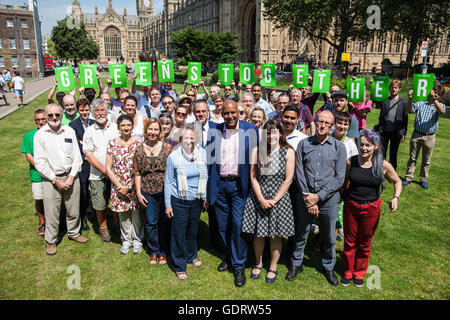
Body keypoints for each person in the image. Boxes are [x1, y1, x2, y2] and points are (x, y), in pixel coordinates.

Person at [286, 110, 346, 286]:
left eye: (327, 123)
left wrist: (318, 197)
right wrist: (308, 197)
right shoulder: (304, 144)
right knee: (301, 232)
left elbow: (339, 178)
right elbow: (299, 171)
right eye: (320, 122)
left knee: (328, 235)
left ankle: (328, 266)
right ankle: (296, 264)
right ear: (315, 122)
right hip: (304, 196)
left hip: (329, 199)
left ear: (332, 126)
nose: (322, 126)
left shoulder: (338, 147)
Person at [207, 100, 259, 287]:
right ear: (221, 113)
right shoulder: (214, 131)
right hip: (219, 184)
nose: (229, 116)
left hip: (239, 185)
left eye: (232, 113)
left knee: (237, 225)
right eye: (225, 113)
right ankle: (229, 256)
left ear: (239, 112)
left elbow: (257, 160)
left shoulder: (251, 130)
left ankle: (238, 265)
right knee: (223, 226)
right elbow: (209, 161)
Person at [341, 129, 402, 287]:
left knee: (365, 242)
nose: (364, 148)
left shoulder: (382, 165)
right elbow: (344, 181)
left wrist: (396, 198)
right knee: (349, 241)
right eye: (361, 145)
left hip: (372, 208)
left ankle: (359, 273)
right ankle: (348, 271)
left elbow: (397, 181)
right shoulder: (351, 161)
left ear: (375, 146)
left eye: (368, 145)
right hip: (351, 206)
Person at [242, 119, 296, 284]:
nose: (271, 135)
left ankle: (273, 266)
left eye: (274, 132)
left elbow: (288, 179)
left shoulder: (288, 152)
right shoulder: (257, 150)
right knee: (258, 234)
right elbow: (253, 177)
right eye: (267, 132)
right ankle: (258, 263)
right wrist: (261, 199)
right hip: (259, 196)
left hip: (279, 198)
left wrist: (273, 200)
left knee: (275, 235)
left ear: (280, 134)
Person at [34, 104, 87, 255]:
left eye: (57, 115)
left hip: (71, 175)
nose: (54, 118)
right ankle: (51, 241)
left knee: (73, 209)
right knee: (52, 212)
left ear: (61, 114)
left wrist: (71, 177)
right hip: (51, 179)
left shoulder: (69, 131)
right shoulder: (40, 135)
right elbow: (40, 162)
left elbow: (77, 156)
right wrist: (54, 180)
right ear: (46, 116)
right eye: (50, 115)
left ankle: (74, 233)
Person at [165, 123, 208, 279]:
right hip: (179, 200)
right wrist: (168, 205)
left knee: (192, 231)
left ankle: (191, 255)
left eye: (192, 137)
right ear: (181, 139)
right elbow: (168, 182)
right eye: (186, 137)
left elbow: (206, 176)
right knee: (179, 234)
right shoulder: (173, 157)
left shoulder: (202, 153)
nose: (189, 140)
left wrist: (205, 197)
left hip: (196, 200)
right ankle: (179, 264)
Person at [135, 118, 172, 265]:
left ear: (160, 132)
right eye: (150, 129)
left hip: (164, 190)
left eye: (156, 129)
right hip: (147, 190)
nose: (153, 132)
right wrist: (138, 192)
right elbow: (136, 172)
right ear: (145, 131)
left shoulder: (167, 148)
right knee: (151, 222)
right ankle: (153, 251)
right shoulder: (139, 149)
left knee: (164, 221)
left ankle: (163, 251)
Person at [106, 114, 143, 254]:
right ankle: (126, 240)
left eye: (128, 125)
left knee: (136, 214)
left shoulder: (139, 143)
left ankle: (138, 240)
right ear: (118, 127)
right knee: (123, 215)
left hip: (135, 184)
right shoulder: (112, 143)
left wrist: (130, 186)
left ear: (132, 127)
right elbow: (108, 168)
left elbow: (140, 167)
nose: (126, 128)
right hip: (118, 185)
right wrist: (120, 186)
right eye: (123, 125)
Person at [83, 98, 119, 242]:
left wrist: (112, 172)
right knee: (100, 203)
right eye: (96, 111)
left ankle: (117, 224)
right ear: (92, 113)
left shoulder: (115, 127)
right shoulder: (89, 131)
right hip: (98, 174)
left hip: (117, 173)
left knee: (116, 201)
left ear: (107, 110)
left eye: (102, 110)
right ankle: (103, 227)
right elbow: (89, 156)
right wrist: (105, 171)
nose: (99, 113)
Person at [402, 85, 446, 189]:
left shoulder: (440, 105)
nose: (436, 95)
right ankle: (408, 177)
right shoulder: (421, 103)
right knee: (412, 158)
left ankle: (423, 179)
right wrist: (410, 98)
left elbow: (441, 111)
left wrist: (434, 99)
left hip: (429, 137)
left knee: (426, 160)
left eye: (438, 94)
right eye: (435, 92)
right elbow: (410, 110)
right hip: (416, 134)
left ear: (440, 97)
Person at [69, 98, 95, 231]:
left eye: (86, 110)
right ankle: (83, 219)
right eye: (82, 110)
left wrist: (83, 143)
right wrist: (85, 145)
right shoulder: (73, 126)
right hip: (83, 163)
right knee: (83, 192)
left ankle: (96, 215)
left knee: (96, 190)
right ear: (78, 111)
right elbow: (74, 145)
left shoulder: (94, 123)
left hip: (95, 162)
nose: (85, 112)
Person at [20, 109, 47, 236]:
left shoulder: (52, 133)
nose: (41, 122)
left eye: (43, 119)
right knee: (39, 198)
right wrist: (42, 167)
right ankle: (42, 222)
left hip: (53, 172)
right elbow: (28, 155)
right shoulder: (28, 136)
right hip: (37, 174)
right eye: (38, 120)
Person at [376, 80, 408, 171]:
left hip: (396, 132)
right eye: (392, 87)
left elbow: (405, 119)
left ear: (399, 89)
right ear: (390, 88)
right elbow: (374, 98)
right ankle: (381, 170)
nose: (394, 89)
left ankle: (392, 171)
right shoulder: (385, 100)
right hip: (384, 131)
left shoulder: (403, 102)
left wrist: (404, 133)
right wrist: (372, 84)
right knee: (382, 152)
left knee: (393, 153)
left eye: (396, 87)